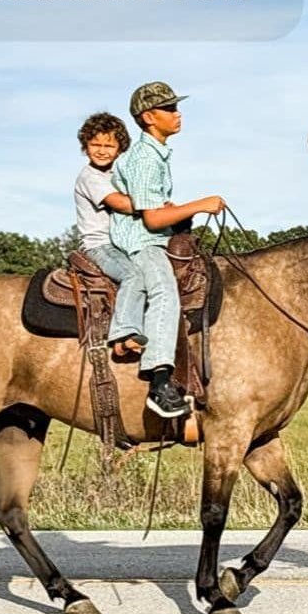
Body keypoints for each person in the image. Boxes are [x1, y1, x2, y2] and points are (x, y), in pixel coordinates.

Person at [111, 81, 227, 418]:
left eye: (176, 107)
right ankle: (159, 383)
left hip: (156, 238)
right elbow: (151, 220)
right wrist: (200, 205)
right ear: (149, 117)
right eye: (170, 108)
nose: (178, 114)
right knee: (164, 292)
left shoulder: (156, 154)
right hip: (143, 242)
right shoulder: (145, 158)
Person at [73, 112, 148, 359]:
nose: (102, 151)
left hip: (123, 243)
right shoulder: (90, 177)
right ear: (85, 146)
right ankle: (123, 334)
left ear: (119, 149)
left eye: (109, 146)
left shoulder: (117, 174)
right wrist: (156, 206)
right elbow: (121, 204)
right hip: (100, 246)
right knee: (133, 275)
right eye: (95, 144)